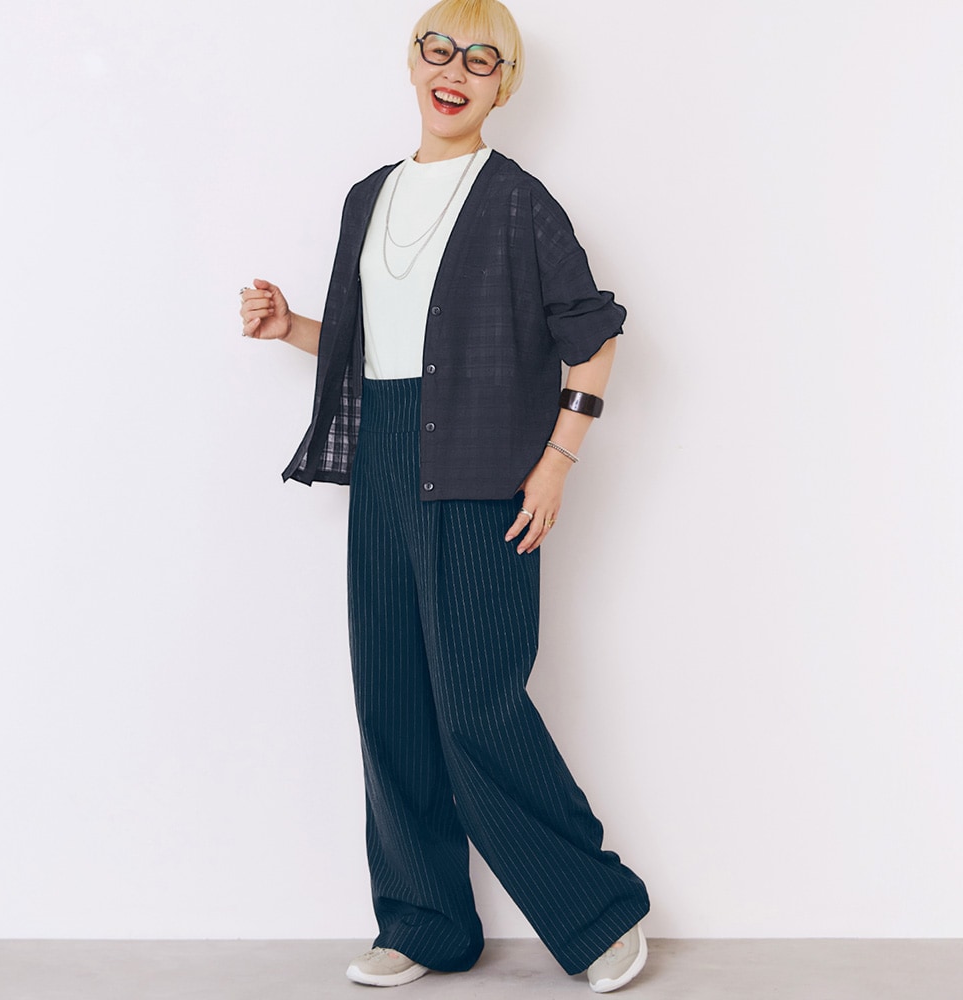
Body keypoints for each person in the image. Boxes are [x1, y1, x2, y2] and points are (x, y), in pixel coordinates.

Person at [239, 0, 650, 991]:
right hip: (385, 454)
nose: (454, 70)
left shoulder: (519, 201)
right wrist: (293, 326)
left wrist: (555, 462)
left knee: (479, 705)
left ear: (503, 85)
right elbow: (371, 342)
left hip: (481, 465)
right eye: (439, 49)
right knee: (391, 700)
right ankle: (425, 922)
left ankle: (596, 912)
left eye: (481, 58)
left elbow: (592, 334)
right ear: (412, 62)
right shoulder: (368, 197)